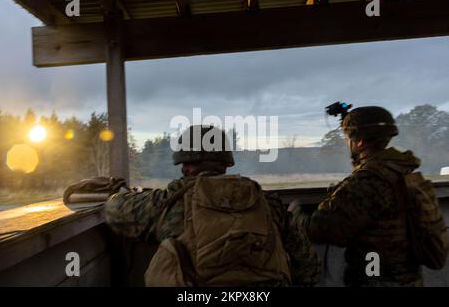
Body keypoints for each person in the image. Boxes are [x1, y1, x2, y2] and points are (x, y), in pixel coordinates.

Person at [105, 125, 321, 287]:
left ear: (186, 167)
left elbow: (116, 211)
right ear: (226, 163)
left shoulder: (170, 202)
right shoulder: (266, 202)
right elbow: (309, 267)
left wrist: (118, 191)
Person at [290, 106, 448, 287]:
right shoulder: (402, 172)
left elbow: (324, 229)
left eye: (350, 138)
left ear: (360, 142)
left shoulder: (369, 181)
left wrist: (294, 218)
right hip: (410, 279)